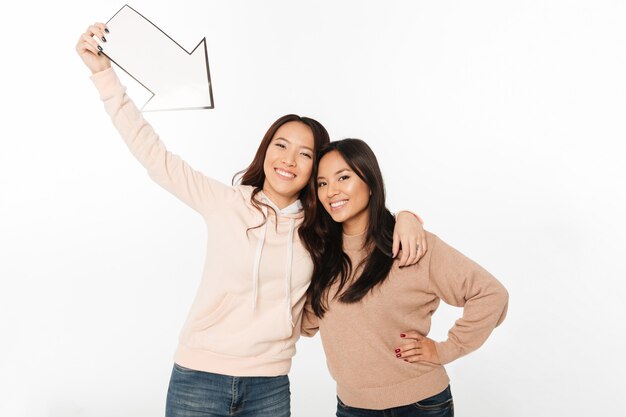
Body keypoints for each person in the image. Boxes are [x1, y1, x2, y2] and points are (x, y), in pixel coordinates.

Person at [76, 23, 428, 417]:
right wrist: (103, 74)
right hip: (198, 378)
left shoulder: (320, 231)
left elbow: (364, 219)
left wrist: (407, 218)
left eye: (305, 154)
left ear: (315, 170)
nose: (289, 160)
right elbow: (153, 155)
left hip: (270, 386)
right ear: (266, 151)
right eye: (281, 145)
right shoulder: (224, 202)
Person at [302, 139, 509, 417]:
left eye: (344, 177)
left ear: (370, 180)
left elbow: (491, 295)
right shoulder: (320, 254)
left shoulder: (411, 246)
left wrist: (446, 349)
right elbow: (305, 322)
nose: (331, 191)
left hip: (421, 405)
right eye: (322, 183)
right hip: (353, 408)